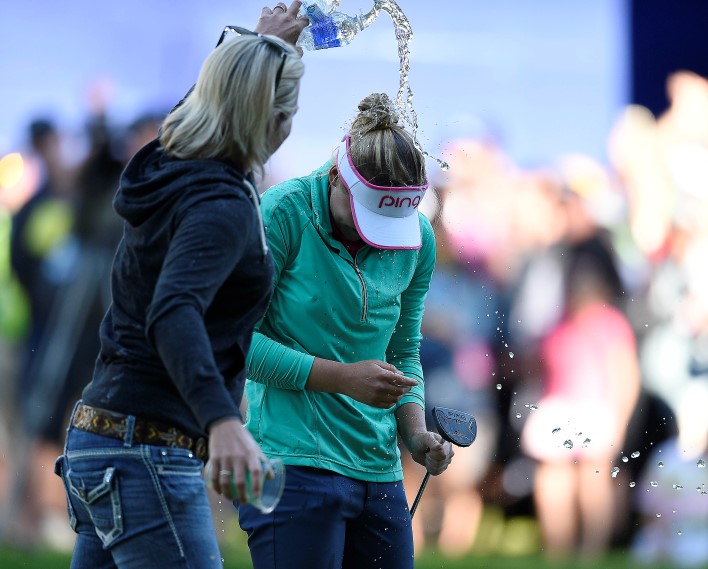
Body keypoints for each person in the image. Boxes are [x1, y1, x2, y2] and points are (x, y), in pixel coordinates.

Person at [54, 4, 307, 568]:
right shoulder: (220, 204)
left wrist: (252, 44)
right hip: (146, 448)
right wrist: (223, 421)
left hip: (103, 438)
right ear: (277, 119)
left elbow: (212, 99)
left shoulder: (170, 167)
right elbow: (173, 311)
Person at [239, 92, 454, 569]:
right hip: (290, 460)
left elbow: (403, 350)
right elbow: (233, 343)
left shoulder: (417, 238)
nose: (370, 236)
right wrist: (342, 378)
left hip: (377, 466)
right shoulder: (282, 213)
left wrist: (416, 434)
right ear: (337, 175)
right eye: (364, 218)